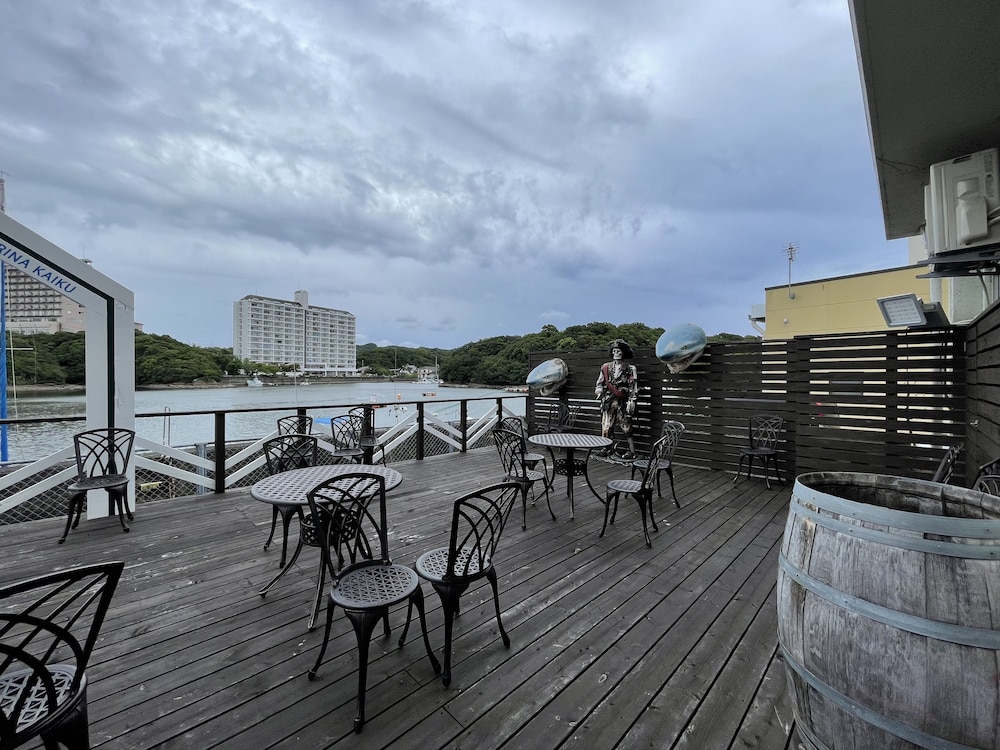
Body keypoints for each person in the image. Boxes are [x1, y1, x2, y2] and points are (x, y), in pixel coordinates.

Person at [595, 338, 638, 459]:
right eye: (614, 351)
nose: (616, 353)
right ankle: (606, 448)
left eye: (618, 351)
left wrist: (632, 401)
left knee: (626, 426)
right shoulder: (605, 367)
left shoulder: (630, 368)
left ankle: (632, 451)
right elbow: (600, 382)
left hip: (622, 401)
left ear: (623, 352)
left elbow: (633, 386)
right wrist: (599, 390)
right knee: (606, 426)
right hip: (608, 401)